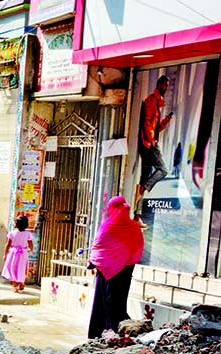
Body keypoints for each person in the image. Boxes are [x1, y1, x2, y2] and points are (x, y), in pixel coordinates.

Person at [87, 196, 144, 339]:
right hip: (125, 271)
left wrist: (92, 262)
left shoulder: (107, 226)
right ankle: (119, 331)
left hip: (106, 271)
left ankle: (101, 332)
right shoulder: (134, 227)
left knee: (103, 302)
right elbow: (138, 247)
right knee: (118, 302)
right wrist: (125, 260)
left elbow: (98, 246)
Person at [134, 75, 173, 219]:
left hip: (149, 142)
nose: (166, 88)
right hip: (148, 144)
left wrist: (165, 122)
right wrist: (151, 142)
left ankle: (136, 215)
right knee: (163, 170)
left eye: (167, 86)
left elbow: (155, 127)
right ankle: (144, 187)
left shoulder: (157, 103)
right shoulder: (151, 100)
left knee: (144, 176)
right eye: (165, 85)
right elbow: (146, 123)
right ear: (159, 85)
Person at [1, 215, 34, 293]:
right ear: (26, 225)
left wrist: (5, 254)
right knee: (22, 268)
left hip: (13, 253)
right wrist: (31, 251)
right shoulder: (28, 234)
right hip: (23, 253)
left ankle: (15, 286)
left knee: (14, 269)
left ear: (16, 224)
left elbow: (8, 244)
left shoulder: (12, 233)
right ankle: (22, 283)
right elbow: (30, 244)